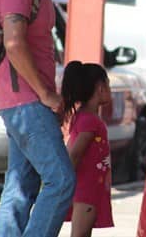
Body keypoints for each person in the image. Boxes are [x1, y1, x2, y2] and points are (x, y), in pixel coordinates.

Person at [0, 0, 75, 237]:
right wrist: (46, 94)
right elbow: (14, 43)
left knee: (20, 187)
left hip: (24, 100)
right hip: (26, 100)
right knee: (61, 180)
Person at [62, 61, 114, 236]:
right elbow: (75, 153)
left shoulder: (81, 117)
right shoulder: (91, 121)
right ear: (100, 88)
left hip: (87, 188)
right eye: (108, 85)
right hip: (87, 190)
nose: (110, 90)